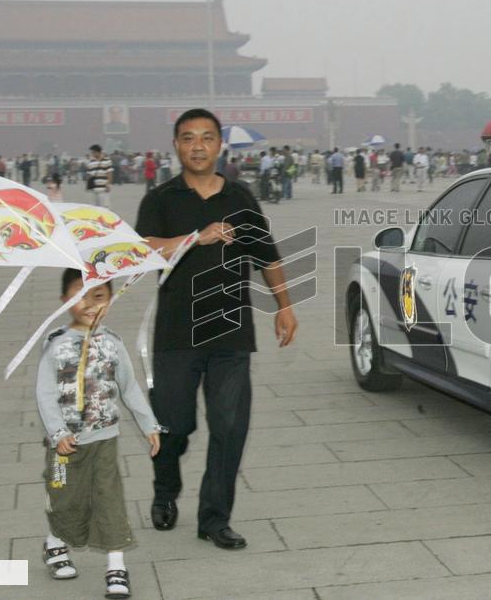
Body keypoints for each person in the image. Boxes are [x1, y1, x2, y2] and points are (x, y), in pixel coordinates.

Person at [135, 108, 298, 550]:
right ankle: (165, 489)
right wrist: (195, 238)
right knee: (173, 426)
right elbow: (142, 252)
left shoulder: (241, 198)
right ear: (176, 145)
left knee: (230, 427)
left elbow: (268, 256)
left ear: (219, 145)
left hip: (231, 332)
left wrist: (284, 306)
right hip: (176, 334)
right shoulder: (161, 199)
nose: (198, 146)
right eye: (189, 138)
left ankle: (214, 518)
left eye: (207, 138)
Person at [36, 269, 162, 599]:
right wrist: (57, 432)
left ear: (110, 300)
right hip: (63, 447)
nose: (90, 304)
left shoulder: (113, 343)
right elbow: (45, 392)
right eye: (81, 296)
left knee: (109, 499)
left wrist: (148, 424)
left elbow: (129, 388)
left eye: (99, 296)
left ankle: (116, 566)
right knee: (65, 498)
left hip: (104, 439)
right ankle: (55, 543)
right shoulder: (55, 343)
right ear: (65, 301)